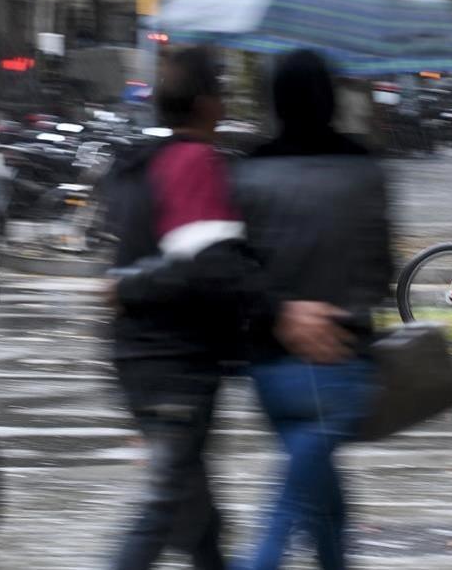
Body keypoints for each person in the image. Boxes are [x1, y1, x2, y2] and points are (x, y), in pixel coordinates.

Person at [106, 47, 351, 570]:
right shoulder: (194, 164)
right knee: (165, 504)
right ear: (207, 104)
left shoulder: (140, 164)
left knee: (201, 527)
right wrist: (281, 311)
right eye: (220, 91)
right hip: (173, 366)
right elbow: (213, 266)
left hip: (142, 360)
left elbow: (148, 258)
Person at [234, 49, 391, 570]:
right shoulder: (365, 170)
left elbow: (233, 270)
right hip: (341, 363)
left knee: (325, 501)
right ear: (332, 98)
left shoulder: (248, 171)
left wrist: (279, 309)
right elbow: (381, 271)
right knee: (288, 511)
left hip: (269, 370)